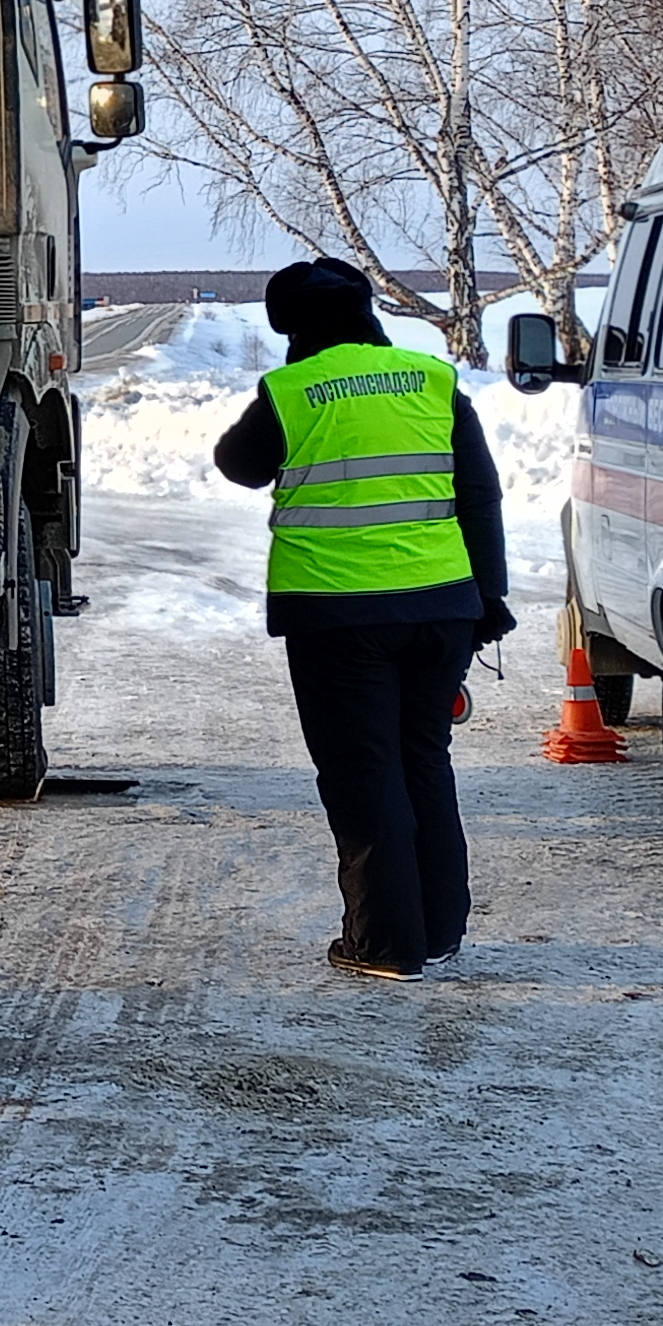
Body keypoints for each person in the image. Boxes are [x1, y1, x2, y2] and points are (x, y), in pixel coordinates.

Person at [214, 258, 517, 978]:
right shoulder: (433, 381)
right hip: (441, 607)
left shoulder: (293, 392)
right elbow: (480, 495)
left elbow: (238, 463)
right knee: (423, 762)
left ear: (288, 324)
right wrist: (489, 598)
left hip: (336, 616)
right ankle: (439, 929)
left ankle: (383, 943)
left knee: (362, 771)